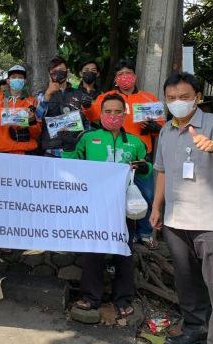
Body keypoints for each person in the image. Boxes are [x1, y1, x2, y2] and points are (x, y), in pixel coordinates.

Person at [150, 72, 213, 344]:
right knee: (187, 283)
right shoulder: (166, 130)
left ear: (198, 97)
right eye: (172, 98)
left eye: (184, 97)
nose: (178, 102)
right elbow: (162, 172)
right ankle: (196, 328)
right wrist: (156, 207)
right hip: (176, 222)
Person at [66, 93, 150, 319]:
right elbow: (72, 163)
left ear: (125, 114)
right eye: (108, 111)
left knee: (124, 252)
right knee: (93, 251)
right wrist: (67, 144)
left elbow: (148, 167)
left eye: (118, 111)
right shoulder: (88, 138)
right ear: (100, 114)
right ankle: (90, 297)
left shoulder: (134, 142)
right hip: (95, 203)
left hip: (123, 206)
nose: (113, 115)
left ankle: (123, 299)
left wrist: (142, 168)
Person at [82, 59, 161, 247]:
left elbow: (162, 127)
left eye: (129, 73)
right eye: (120, 74)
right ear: (115, 79)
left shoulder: (149, 98)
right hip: (114, 156)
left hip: (141, 156)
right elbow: (93, 115)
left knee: (146, 195)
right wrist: (86, 106)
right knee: (116, 198)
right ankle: (125, 232)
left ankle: (145, 232)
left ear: (134, 76)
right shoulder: (106, 97)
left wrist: (154, 126)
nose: (125, 77)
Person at [36, 56, 81, 158]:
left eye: (61, 70)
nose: (58, 73)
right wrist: (47, 94)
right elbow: (37, 117)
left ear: (68, 72)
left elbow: (86, 120)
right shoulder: (42, 94)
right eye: (54, 71)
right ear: (49, 74)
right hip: (51, 150)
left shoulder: (78, 94)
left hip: (75, 149)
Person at [0, 65, 40, 155]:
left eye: (20, 77)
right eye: (13, 77)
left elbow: (37, 134)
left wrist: (32, 121)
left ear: (24, 81)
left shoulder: (33, 102)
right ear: (8, 81)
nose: (17, 79)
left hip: (27, 151)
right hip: (3, 151)